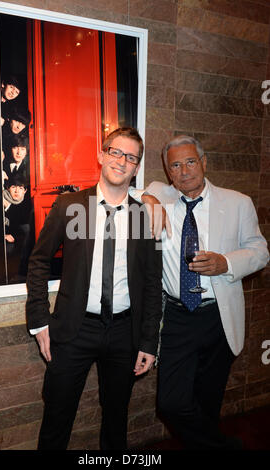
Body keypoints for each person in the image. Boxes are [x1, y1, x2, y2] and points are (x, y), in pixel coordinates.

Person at [26, 127, 162, 450]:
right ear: (101, 155)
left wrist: (149, 340)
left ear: (137, 167)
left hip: (124, 333)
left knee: (117, 421)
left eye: (131, 157)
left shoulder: (144, 216)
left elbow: (152, 282)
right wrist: (39, 319)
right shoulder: (69, 206)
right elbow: (39, 261)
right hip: (74, 329)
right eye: (115, 152)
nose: (121, 161)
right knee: (57, 419)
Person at [134, 135, 269, 450]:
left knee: (209, 401)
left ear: (204, 163)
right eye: (175, 166)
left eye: (190, 162)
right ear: (168, 173)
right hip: (178, 317)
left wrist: (226, 262)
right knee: (170, 402)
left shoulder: (237, 202)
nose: (184, 171)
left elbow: (260, 252)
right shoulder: (159, 195)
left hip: (219, 315)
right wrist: (147, 196)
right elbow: (125, 188)